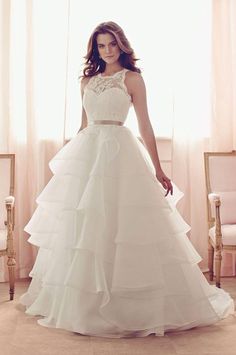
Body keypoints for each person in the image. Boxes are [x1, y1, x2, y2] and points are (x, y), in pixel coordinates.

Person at [19, 21, 234, 338]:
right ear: (96, 49)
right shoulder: (86, 81)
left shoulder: (132, 79)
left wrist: (159, 170)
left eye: (112, 44)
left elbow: (145, 125)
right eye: (101, 45)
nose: (107, 50)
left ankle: (130, 303)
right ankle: (86, 305)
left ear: (122, 46)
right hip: (90, 153)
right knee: (87, 229)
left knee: (125, 226)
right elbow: (82, 126)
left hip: (121, 152)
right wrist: (70, 167)